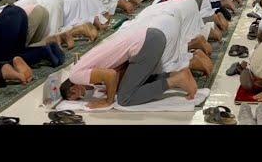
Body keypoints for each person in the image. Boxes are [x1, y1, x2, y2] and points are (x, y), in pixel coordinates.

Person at [60, 25, 198, 108]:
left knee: (124, 98)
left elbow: (111, 75)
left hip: (146, 44)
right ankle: (176, 75)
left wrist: (108, 100)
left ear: (72, 88)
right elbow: (114, 71)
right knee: (126, 85)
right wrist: (110, 88)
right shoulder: (80, 66)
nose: (81, 96)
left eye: (76, 96)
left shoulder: (75, 75)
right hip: (151, 36)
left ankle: (176, 80)